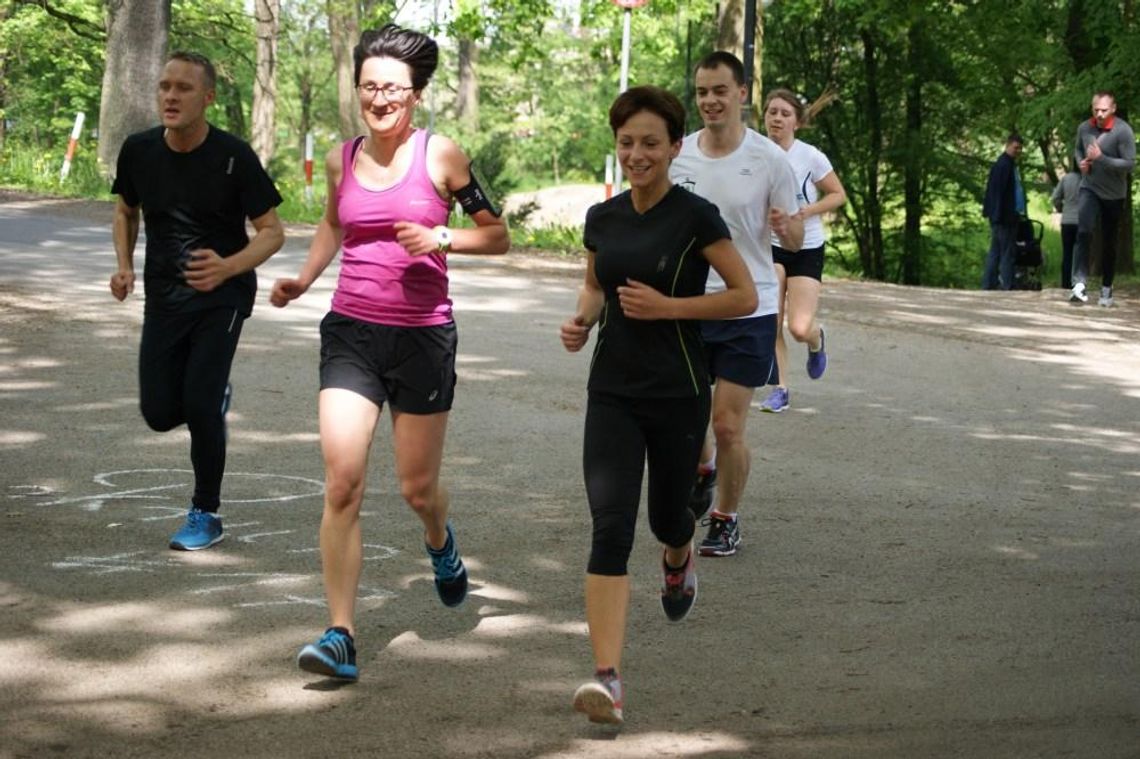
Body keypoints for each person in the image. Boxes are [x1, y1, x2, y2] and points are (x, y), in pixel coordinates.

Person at [270, 24, 509, 682]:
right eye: (370, 86)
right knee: (342, 482)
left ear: (417, 95)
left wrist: (443, 237)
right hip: (351, 329)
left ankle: (441, 540)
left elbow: (498, 235)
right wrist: (305, 278)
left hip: (422, 336)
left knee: (416, 488)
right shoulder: (341, 156)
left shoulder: (443, 157)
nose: (381, 98)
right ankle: (341, 634)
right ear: (357, 91)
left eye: (394, 89)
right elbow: (334, 222)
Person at [561, 85, 757, 725]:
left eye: (650, 142)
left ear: (675, 148)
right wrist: (583, 321)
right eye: (626, 143)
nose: (637, 154)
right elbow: (596, 285)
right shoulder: (604, 217)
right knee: (609, 528)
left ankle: (678, 557)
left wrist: (671, 307)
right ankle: (608, 679)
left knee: (668, 518)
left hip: (678, 391)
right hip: (612, 390)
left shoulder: (695, 217)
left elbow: (744, 295)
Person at [110, 51, 285, 551]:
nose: (170, 95)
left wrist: (229, 266)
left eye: (183, 88)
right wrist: (124, 264)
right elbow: (125, 210)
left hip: (222, 295)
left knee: (200, 402)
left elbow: (272, 232)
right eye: (165, 86)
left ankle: (205, 511)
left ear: (207, 98)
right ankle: (209, 400)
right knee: (160, 413)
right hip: (165, 294)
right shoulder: (139, 150)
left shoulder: (233, 157)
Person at [669, 52, 803, 558]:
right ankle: (703, 470)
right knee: (688, 420)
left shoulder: (770, 158)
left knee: (727, 424)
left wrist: (786, 228)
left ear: (741, 93)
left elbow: (791, 238)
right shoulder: (678, 156)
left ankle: (725, 517)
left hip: (750, 306)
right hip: (690, 305)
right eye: (702, 92)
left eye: (719, 91)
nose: (709, 101)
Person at [759, 88, 847, 414]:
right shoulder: (756, 152)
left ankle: (815, 339)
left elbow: (838, 194)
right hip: (770, 246)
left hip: (806, 246)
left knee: (798, 327)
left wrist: (806, 211)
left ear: (796, 122)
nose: (777, 118)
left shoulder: (810, 156)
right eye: (772, 112)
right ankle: (780, 389)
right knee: (771, 320)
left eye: (784, 113)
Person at [1070, 91, 1135, 306]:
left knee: (1109, 241)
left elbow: (1129, 164)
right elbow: (1078, 150)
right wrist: (1082, 163)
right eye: (1096, 109)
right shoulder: (1084, 128)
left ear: (1113, 109)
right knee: (1084, 231)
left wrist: (1102, 158)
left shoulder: (1123, 131)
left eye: (1104, 110)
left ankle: (1106, 288)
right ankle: (1079, 284)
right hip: (1090, 188)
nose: (1099, 114)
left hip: (1114, 194)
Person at [981, 133, 1026, 291]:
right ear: (1008, 145)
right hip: (1004, 217)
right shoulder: (1004, 165)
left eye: (1020, 148)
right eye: (1016, 147)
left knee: (996, 251)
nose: (1018, 150)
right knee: (1007, 252)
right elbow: (997, 193)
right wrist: (998, 215)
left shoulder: (1007, 164)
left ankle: (989, 283)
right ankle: (1008, 284)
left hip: (1004, 216)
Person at [1051, 161, 1081, 291]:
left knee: (1067, 253)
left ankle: (1065, 283)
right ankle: (1078, 283)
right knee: (1080, 254)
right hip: (1082, 222)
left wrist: (1061, 208)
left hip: (1067, 221)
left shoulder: (1066, 179)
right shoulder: (1088, 180)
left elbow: (1055, 197)